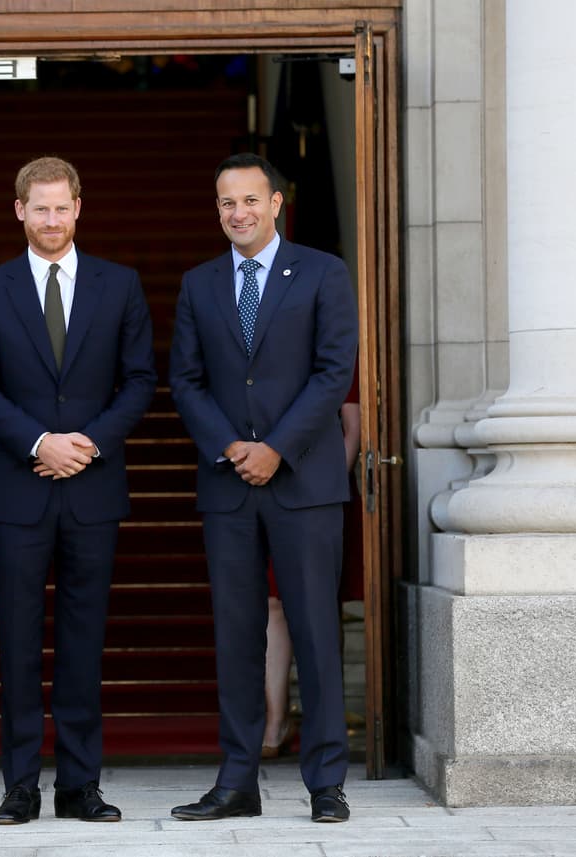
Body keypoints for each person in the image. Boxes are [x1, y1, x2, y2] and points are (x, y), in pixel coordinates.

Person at [0, 156, 156, 825]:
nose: (50, 219)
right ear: (19, 210)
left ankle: (80, 785)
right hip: (20, 489)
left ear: (79, 206)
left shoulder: (120, 284)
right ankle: (19, 787)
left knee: (82, 642)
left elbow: (139, 380)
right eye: (38, 208)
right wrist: (39, 441)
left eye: (60, 207)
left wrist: (87, 442)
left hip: (94, 488)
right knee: (16, 644)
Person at [168, 153, 358, 823]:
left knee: (314, 630)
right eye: (226, 203)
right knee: (237, 633)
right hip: (228, 484)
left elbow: (334, 371)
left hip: (304, 481)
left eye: (250, 200)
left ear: (276, 203)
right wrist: (230, 446)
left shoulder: (323, 273)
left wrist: (276, 447)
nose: (237, 213)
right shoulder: (198, 284)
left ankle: (326, 781)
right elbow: (185, 381)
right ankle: (237, 780)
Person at [261, 377, 361, 759]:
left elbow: (352, 427)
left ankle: (324, 722)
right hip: (267, 485)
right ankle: (276, 719)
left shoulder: (333, 343)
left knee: (320, 605)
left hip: (323, 496)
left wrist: (331, 484)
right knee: (273, 603)